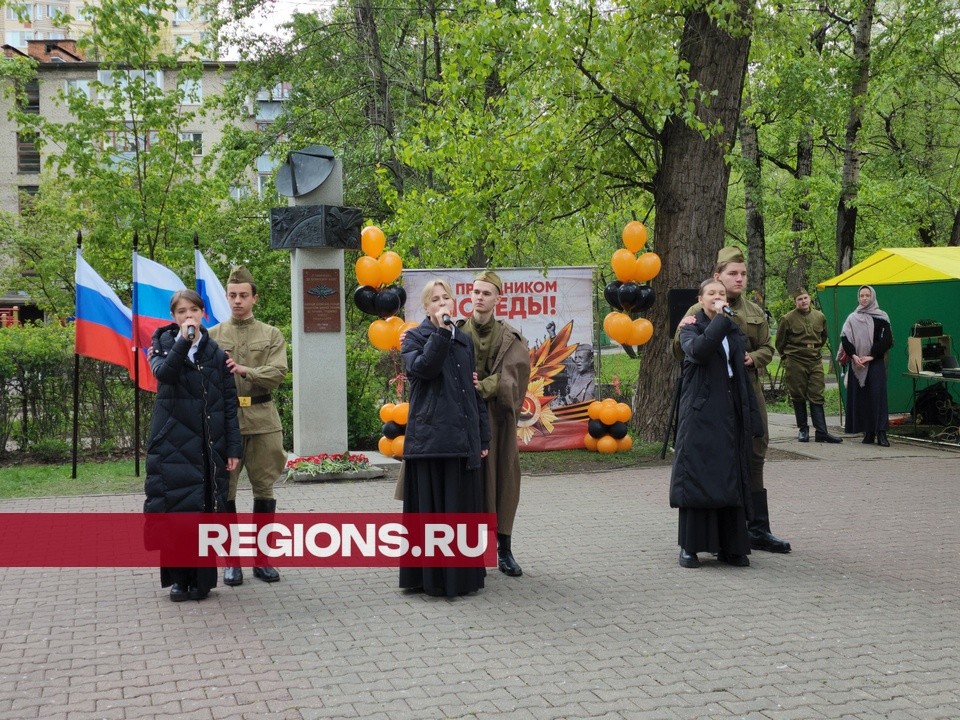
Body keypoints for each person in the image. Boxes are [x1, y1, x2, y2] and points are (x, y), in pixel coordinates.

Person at [675, 246, 791, 554]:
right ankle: (722, 530)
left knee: (755, 451)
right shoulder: (696, 311)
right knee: (715, 457)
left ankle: (758, 527)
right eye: (732, 274)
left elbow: (768, 346)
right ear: (717, 276)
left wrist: (754, 358)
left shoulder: (753, 311)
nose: (739, 279)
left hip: (747, 391)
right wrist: (685, 331)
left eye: (743, 274)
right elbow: (680, 348)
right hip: (712, 395)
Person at [144, 289, 242, 602]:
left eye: (194, 311)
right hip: (172, 443)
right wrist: (183, 341)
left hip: (207, 443)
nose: (189, 317)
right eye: (182, 312)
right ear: (173, 318)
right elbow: (166, 375)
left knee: (203, 510)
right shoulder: (161, 346)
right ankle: (177, 580)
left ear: (203, 314)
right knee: (175, 509)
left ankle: (201, 581)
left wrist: (233, 448)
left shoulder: (217, 354)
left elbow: (228, 404)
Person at [399, 278, 491, 597]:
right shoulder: (413, 338)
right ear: (426, 307)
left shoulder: (463, 341)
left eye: (446, 298)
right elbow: (424, 369)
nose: (441, 303)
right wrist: (439, 333)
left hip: (461, 440)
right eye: (435, 300)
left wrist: (482, 439)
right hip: (430, 441)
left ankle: (463, 579)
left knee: (460, 510)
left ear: (453, 303)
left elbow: (472, 393)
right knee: (434, 513)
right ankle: (432, 580)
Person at [671, 279, 761, 568]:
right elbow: (698, 351)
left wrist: (750, 414)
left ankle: (730, 545)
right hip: (701, 413)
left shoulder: (733, 329)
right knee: (699, 475)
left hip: (729, 412)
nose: (718, 297)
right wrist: (720, 321)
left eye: (721, 294)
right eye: (712, 293)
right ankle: (690, 547)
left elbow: (739, 371)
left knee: (730, 475)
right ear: (701, 298)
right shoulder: (690, 327)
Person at [208, 266, 288, 585]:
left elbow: (277, 373)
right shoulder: (212, 336)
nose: (238, 301)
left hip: (263, 420)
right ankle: (232, 562)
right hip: (226, 425)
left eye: (244, 295)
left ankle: (262, 559)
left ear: (255, 297)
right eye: (232, 295)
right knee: (225, 492)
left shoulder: (270, 334)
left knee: (264, 490)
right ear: (227, 297)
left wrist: (245, 371)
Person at [457, 270, 531, 577]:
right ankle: (469, 550)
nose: (480, 297)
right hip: (463, 419)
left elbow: (515, 379)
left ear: (498, 299)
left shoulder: (511, 337)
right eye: (476, 292)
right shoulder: (457, 332)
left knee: (503, 482)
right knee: (468, 484)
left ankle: (505, 550)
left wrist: (484, 386)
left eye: (487, 293)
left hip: (498, 422)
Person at [775, 288, 842, 444]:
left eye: (805, 298)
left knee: (817, 394)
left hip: (815, 359)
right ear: (795, 302)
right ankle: (803, 429)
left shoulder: (819, 316)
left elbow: (823, 336)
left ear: (809, 298)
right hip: (795, 360)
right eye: (800, 299)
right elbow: (780, 342)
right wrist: (788, 357)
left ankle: (822, 431)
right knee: (797, 395)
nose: (803, 301)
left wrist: (815, 349)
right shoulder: (787, 319)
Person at [841, 285, 894, 446]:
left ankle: (881, 433)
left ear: (873, 297)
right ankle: (868, 432)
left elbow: (887, 340)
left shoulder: (882, 317)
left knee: (877, 397)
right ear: (858, 298)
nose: (864, 298)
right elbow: (845, 339)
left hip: (874, 361)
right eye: (862, 295)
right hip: (858, 364)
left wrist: (871, 356)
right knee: (863, 398)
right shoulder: (852, 318)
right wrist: (855, 356)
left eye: (867, 295)